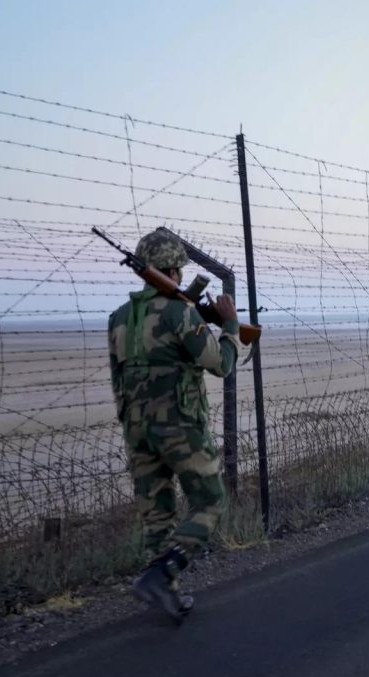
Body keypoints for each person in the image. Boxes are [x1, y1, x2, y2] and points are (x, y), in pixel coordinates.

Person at [107, 226, 239, 622]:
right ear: (175, 269)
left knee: (157, 513)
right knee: (211, 501)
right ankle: (165, 572)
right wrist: (229, 326)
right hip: (181, 427)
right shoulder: (179, 312)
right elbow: (222, 364)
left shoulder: (118, 318)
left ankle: (167, 593)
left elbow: (119, 378)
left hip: (136, 428)